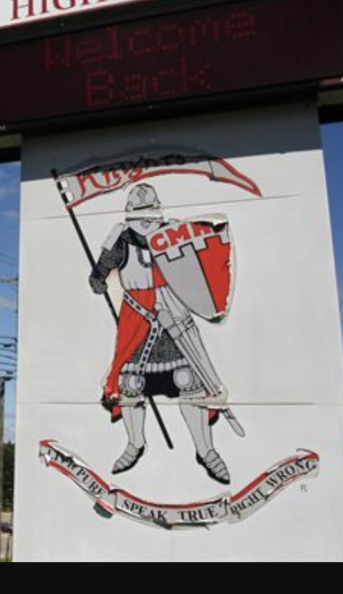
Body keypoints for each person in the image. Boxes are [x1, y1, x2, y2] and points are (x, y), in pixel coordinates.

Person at [90, 184, 231, 485]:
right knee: (130, 386)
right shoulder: (121, 237)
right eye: (139, 214)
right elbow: (101, 269)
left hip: (173, 313)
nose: (145, 220)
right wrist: (98, 277)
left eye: (148, 214)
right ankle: (135, 444)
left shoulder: (174, 233)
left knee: (191, 383)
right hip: (137, 316)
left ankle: (206, 450)